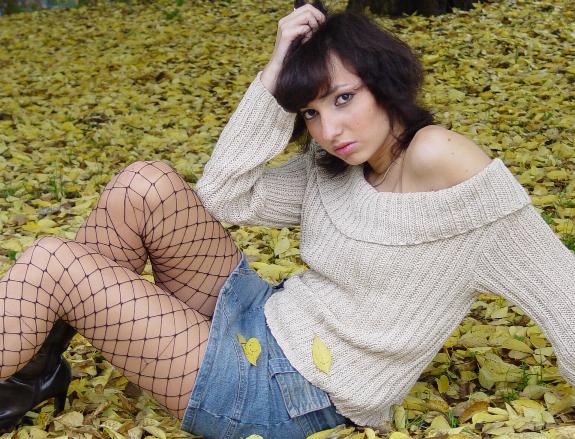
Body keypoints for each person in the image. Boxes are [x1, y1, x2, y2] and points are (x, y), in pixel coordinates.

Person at [1, 1, 574, 438]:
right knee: (143, 184)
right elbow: (223, 195)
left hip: (292, 393)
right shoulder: (337, 164)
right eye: (310, 112)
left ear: (385, 80)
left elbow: (560, 289)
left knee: (54, 262)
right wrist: (274, 74)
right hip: (264, 317)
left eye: (343, 98)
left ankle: (23, 369)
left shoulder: (439, 158)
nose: (329, 130)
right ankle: (32, 371)